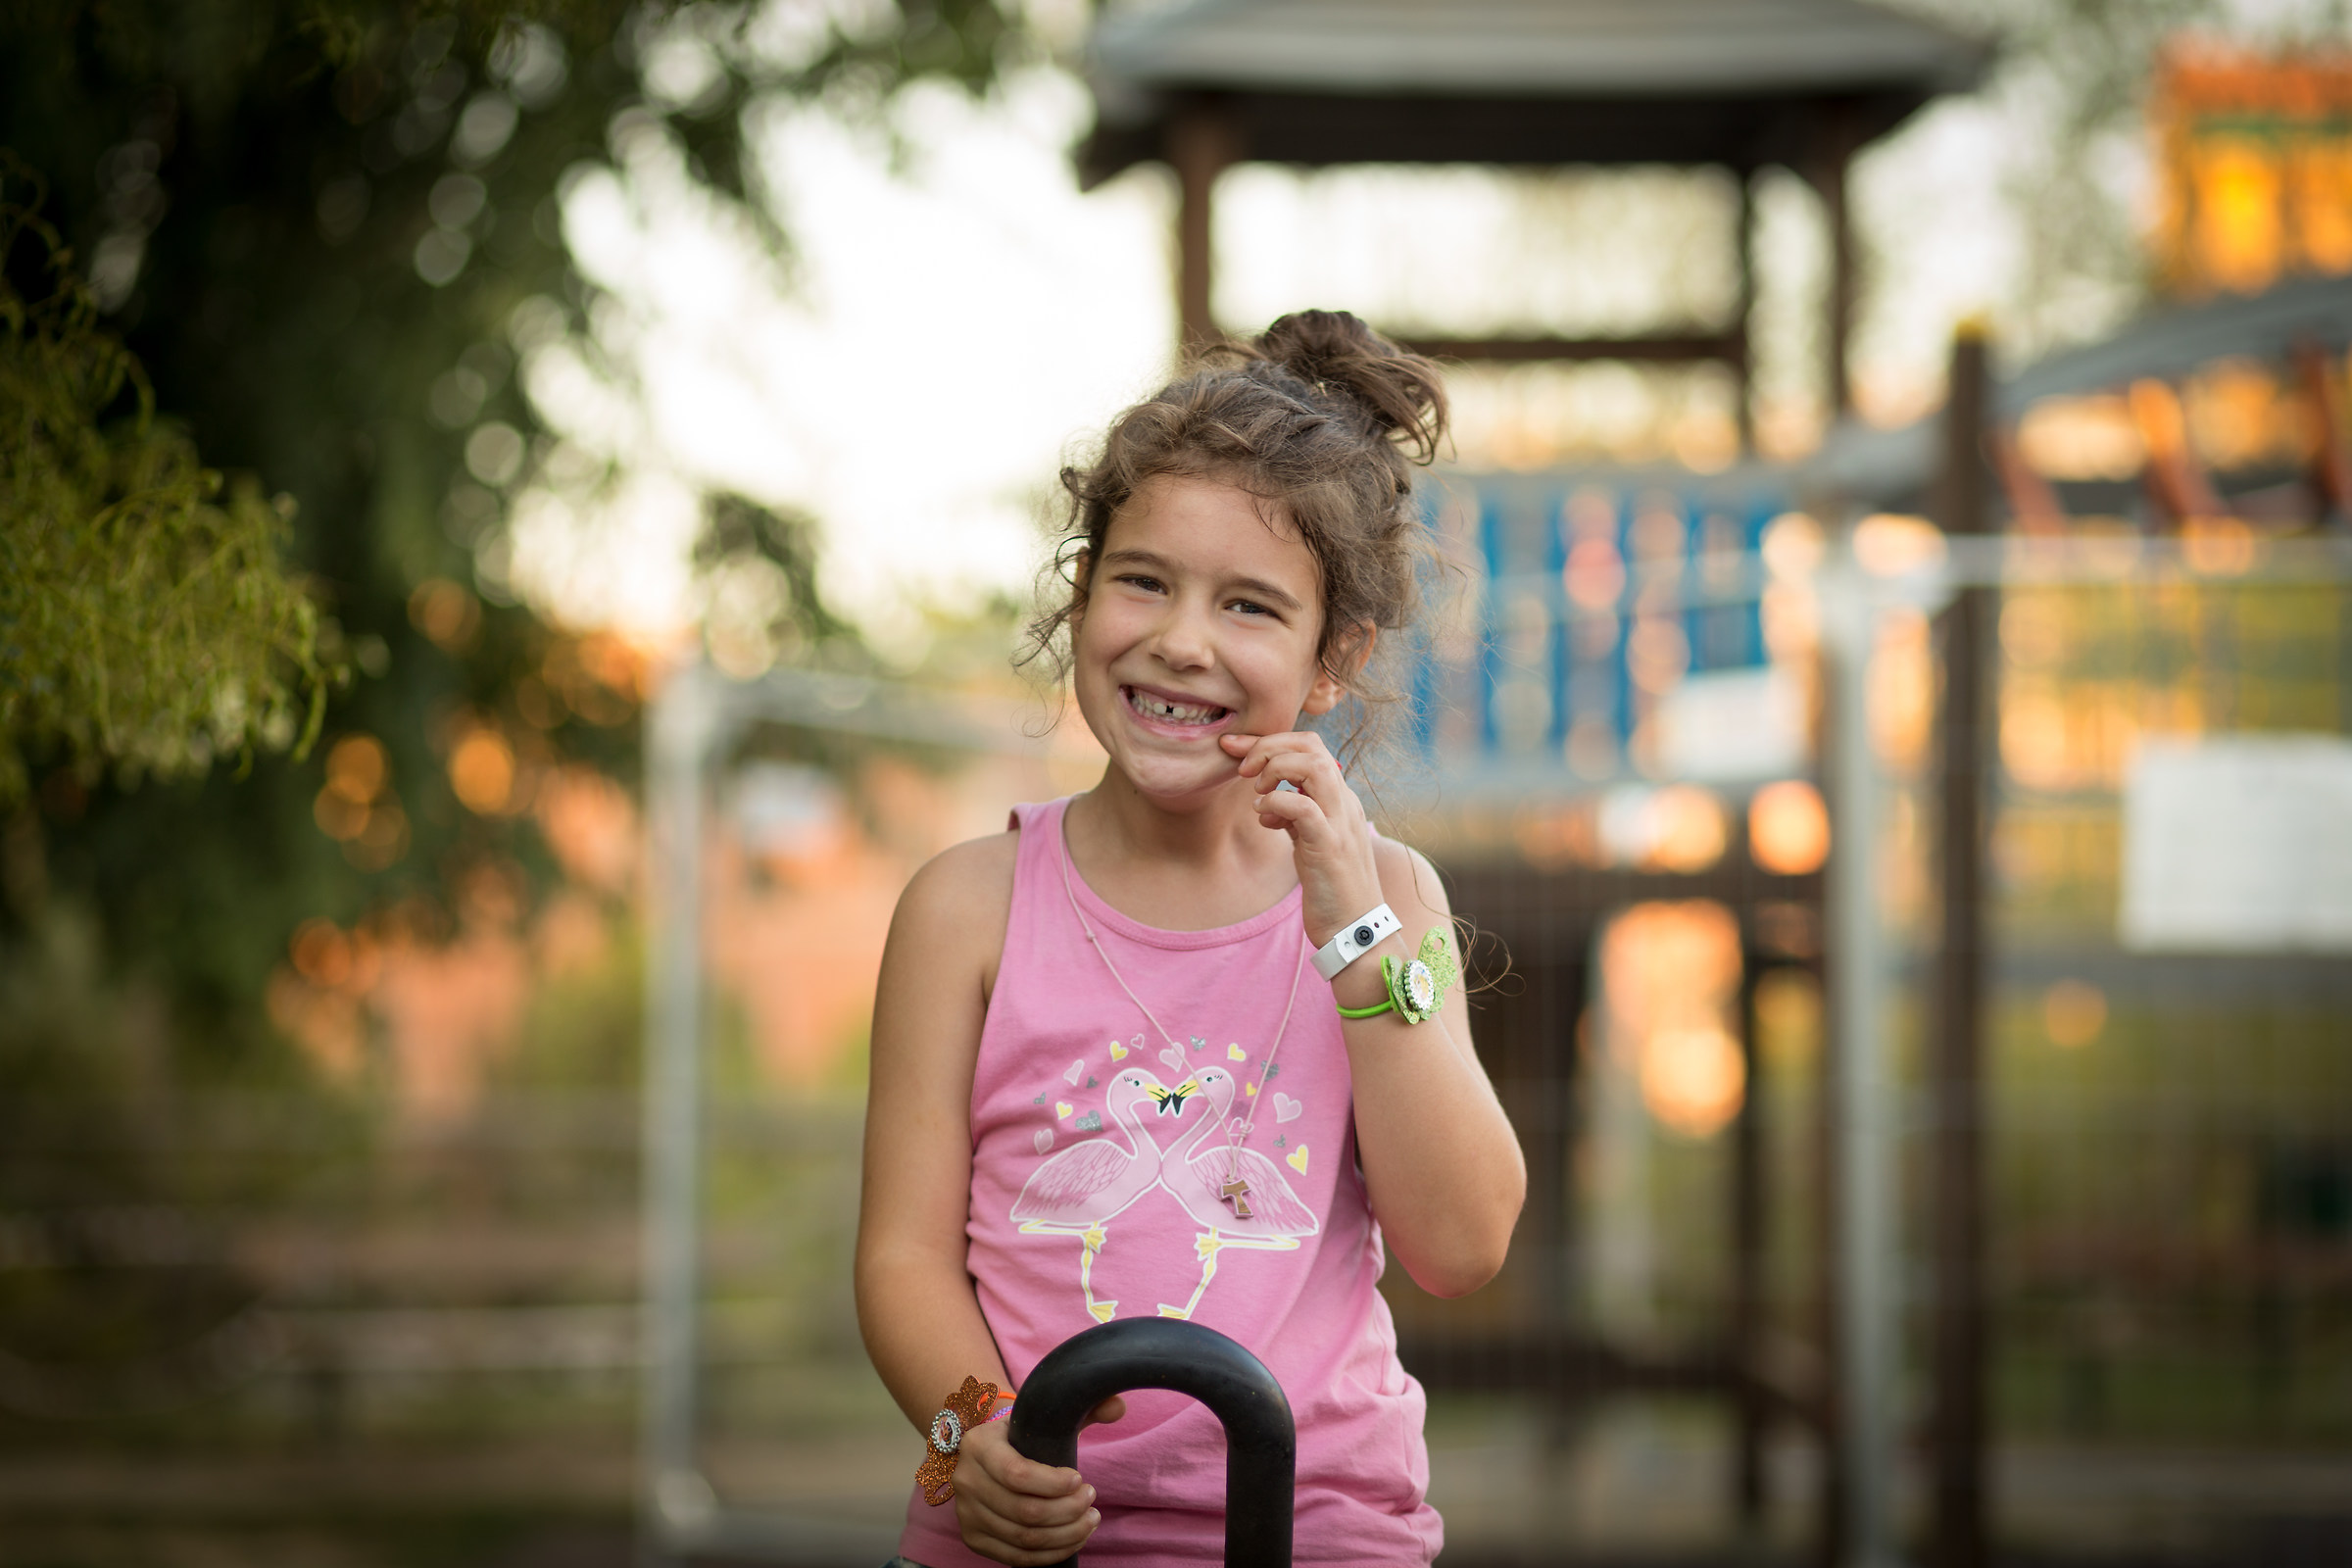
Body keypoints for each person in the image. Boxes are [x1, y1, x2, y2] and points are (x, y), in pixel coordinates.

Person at [857, 310, 1526, 1567]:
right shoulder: (966, 906)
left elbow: (1463, 1242)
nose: (1181, 639)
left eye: (1251, 606)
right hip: (1019, 1530)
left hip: (1312, 1530)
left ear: (1336, 660)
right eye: (1144, 579)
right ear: (1083, 589)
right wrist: (971, 1430)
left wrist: (1353, 935)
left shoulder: (1390, 899)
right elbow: (900, 1251)